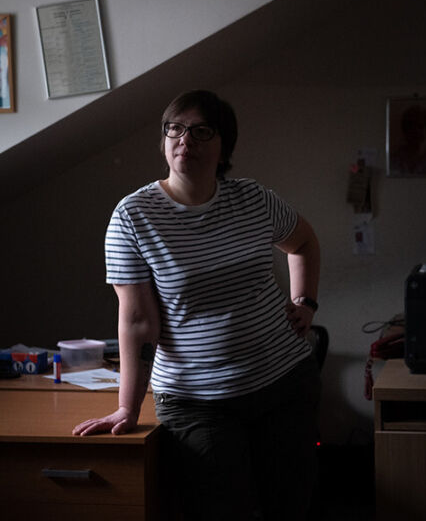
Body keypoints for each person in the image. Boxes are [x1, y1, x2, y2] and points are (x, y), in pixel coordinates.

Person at [72, 89, 322, 520]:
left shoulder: (253, 199)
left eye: (201, 131)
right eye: (175, 128)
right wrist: (128, 407)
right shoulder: (134, 216)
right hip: (198, 402)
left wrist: (306, 301)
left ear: (224, 146)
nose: (185, 139)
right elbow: (137, 323)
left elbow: (303, 242)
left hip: (285, 384)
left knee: (290, 508)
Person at [389, 103, 426, 176]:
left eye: (420, 126)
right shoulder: (394, 159)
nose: (416, 131)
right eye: (412, 127)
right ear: (405, 130)